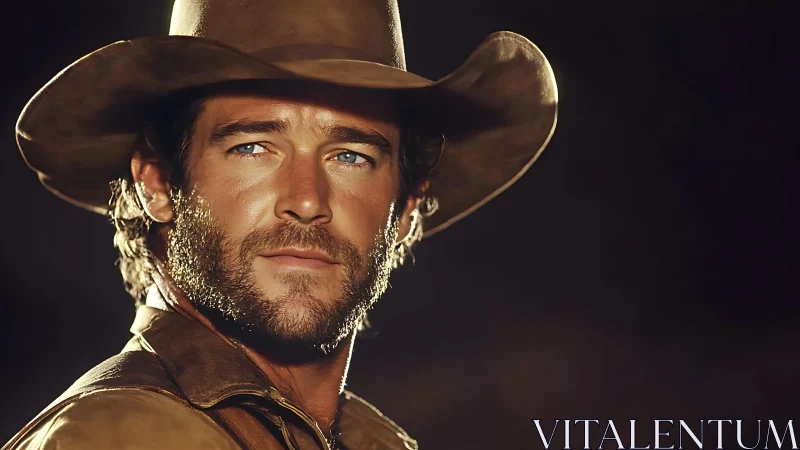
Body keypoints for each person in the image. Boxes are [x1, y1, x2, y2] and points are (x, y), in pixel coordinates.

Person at [4, 0, 557, 448]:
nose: (307, 200)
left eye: (351, 156)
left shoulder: (373, 441)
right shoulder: (116, 438)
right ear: (157, 182)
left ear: (406, 206)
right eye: (253, 147)